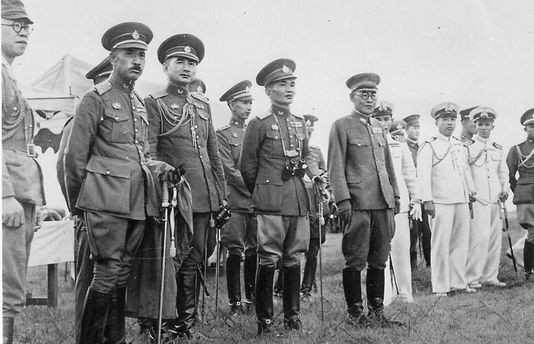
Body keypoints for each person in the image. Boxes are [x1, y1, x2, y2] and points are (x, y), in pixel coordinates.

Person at [63, 22, 167, 344]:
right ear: (113, 58)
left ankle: (115, 340)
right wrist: (82, 206)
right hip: (104, 203)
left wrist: (159, 167)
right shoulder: (95, 99)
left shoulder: (138, 103)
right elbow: (73, 159)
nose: (136, 61)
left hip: (136, 202)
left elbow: (141, 154)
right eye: (129, 54)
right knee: (107, 272)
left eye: (141, 55)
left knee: (122, 273)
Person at [143, 33, 226, 340]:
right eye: (180, 61)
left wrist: (220, 198)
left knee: (194, 260)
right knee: (170, 262)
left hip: (202, 198)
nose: (187, 67)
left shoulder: (203, 104)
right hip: (173, 197)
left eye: (192, 62)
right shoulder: (154, 104)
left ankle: (184, 325)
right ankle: (160, 323)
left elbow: (213, 156)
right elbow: (147, 153)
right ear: (165, 66)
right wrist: (162, 174)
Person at [240, 58, 323, 334]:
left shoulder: (299, 122)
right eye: (281, 85)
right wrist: (263, 191)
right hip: (271, 200)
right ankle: (264, 320)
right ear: (268, 90)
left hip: (298, 198)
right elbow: (247, 166)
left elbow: (308, 153)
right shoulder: (259, 123)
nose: (288, 89)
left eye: (291, 84)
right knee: (268, 258)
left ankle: (292, 317)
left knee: (293, 257)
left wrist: (314, 173)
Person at [328, 73, 400, 327]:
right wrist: (343, 201)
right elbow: (335, 167)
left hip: (383, 203)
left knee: (379, 259)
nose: (369, 99)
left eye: (373, 94)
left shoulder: (379, 126)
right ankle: (355, 314)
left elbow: (388, 165)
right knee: (355, 259)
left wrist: (396, 194)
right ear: (352, 97)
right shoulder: (342, 125)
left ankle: (377, 313)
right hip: (358, 203)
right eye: (363, 94)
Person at [56, 56, 112, 344]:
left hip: (112, 214)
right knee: (88, 281)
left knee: (109, 281)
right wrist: (77, 209)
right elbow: (65, 165)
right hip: (89, 214)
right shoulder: (81, 116)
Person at [2, 1, 44, 342]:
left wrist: (35, 199)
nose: (24, 32)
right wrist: (4, 195)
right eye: (14, 24)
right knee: (6, 288)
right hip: (7, 197)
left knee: (11, 286)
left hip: (20, 193)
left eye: (27, 26)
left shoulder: (9, 74)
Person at [417, 102, 476, 296]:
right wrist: (427, 200)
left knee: (460, 242)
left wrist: (470, 192)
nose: (449, 123)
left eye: (452, 119)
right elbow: (423, 175)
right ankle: (440, 286)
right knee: (440, 244)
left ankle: (459, 282)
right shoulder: (429, 145)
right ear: (436, 122)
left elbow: (464, 171)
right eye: (445, 119)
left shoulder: (458, 144)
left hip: (460, 198)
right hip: (440, 201)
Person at [216, 80, 257, 315]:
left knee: (255, 250)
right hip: (236, 201)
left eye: (250, 102)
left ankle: (251, 299)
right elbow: (229, 171)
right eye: (244, 102)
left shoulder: (254, 131)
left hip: (256, 202)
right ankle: (235, 302)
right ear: (232, 104)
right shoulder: (222, 135)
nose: (248, 107)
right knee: (234, 250)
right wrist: (253, 189)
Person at [372, 104, 420, 305]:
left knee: (401, 248)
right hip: (377, 203)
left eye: (386, 119)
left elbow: (409, 174)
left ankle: (405, 293)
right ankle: (385, 295)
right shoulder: (370, 143)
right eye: (379, 119)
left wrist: (416, 198)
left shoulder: (399, 145)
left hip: (399, 205)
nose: (383, 123)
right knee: (381, 251)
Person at [465, 107, 509, 288]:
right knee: (479, 239)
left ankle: (490, 276)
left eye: (487, 124)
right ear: (475, 126)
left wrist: (505, 189)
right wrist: (471, 192)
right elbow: (466, 171)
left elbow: (503, 173)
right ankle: (473, 277)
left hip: (495, 199)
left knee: (494, 239)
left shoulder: (497, 148)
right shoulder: (468, 147)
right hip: (479, 200)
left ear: (493, 126)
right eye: (480, 124)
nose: (484, 128)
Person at [300, 114, 328, 300]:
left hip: (316, 204)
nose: (308, 132)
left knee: (313, 249)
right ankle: (281, 287)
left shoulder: (317, 152)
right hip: (299, 202)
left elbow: (324, 174)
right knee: (292, 249)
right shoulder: (293, 149)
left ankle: (306, 289)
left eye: (311, 130)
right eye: (306, 129)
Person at [506, 108, 534, 281]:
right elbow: (510, 175)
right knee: (532, 233)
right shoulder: (516, 149)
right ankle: (528, 271)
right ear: (525, 129)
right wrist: (520, 190)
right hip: (527, 198)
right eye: (531, 126)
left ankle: (528, 270)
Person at [403, 114, 431, 269]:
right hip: (411, 196)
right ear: (406, 129)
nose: (417, 130)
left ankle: (430, 264)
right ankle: (411, 266)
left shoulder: (422, 147)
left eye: (418, 127)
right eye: (413, 127)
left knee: (427, 231)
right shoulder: (405, 147)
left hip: (424, 193)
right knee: (412, 232)